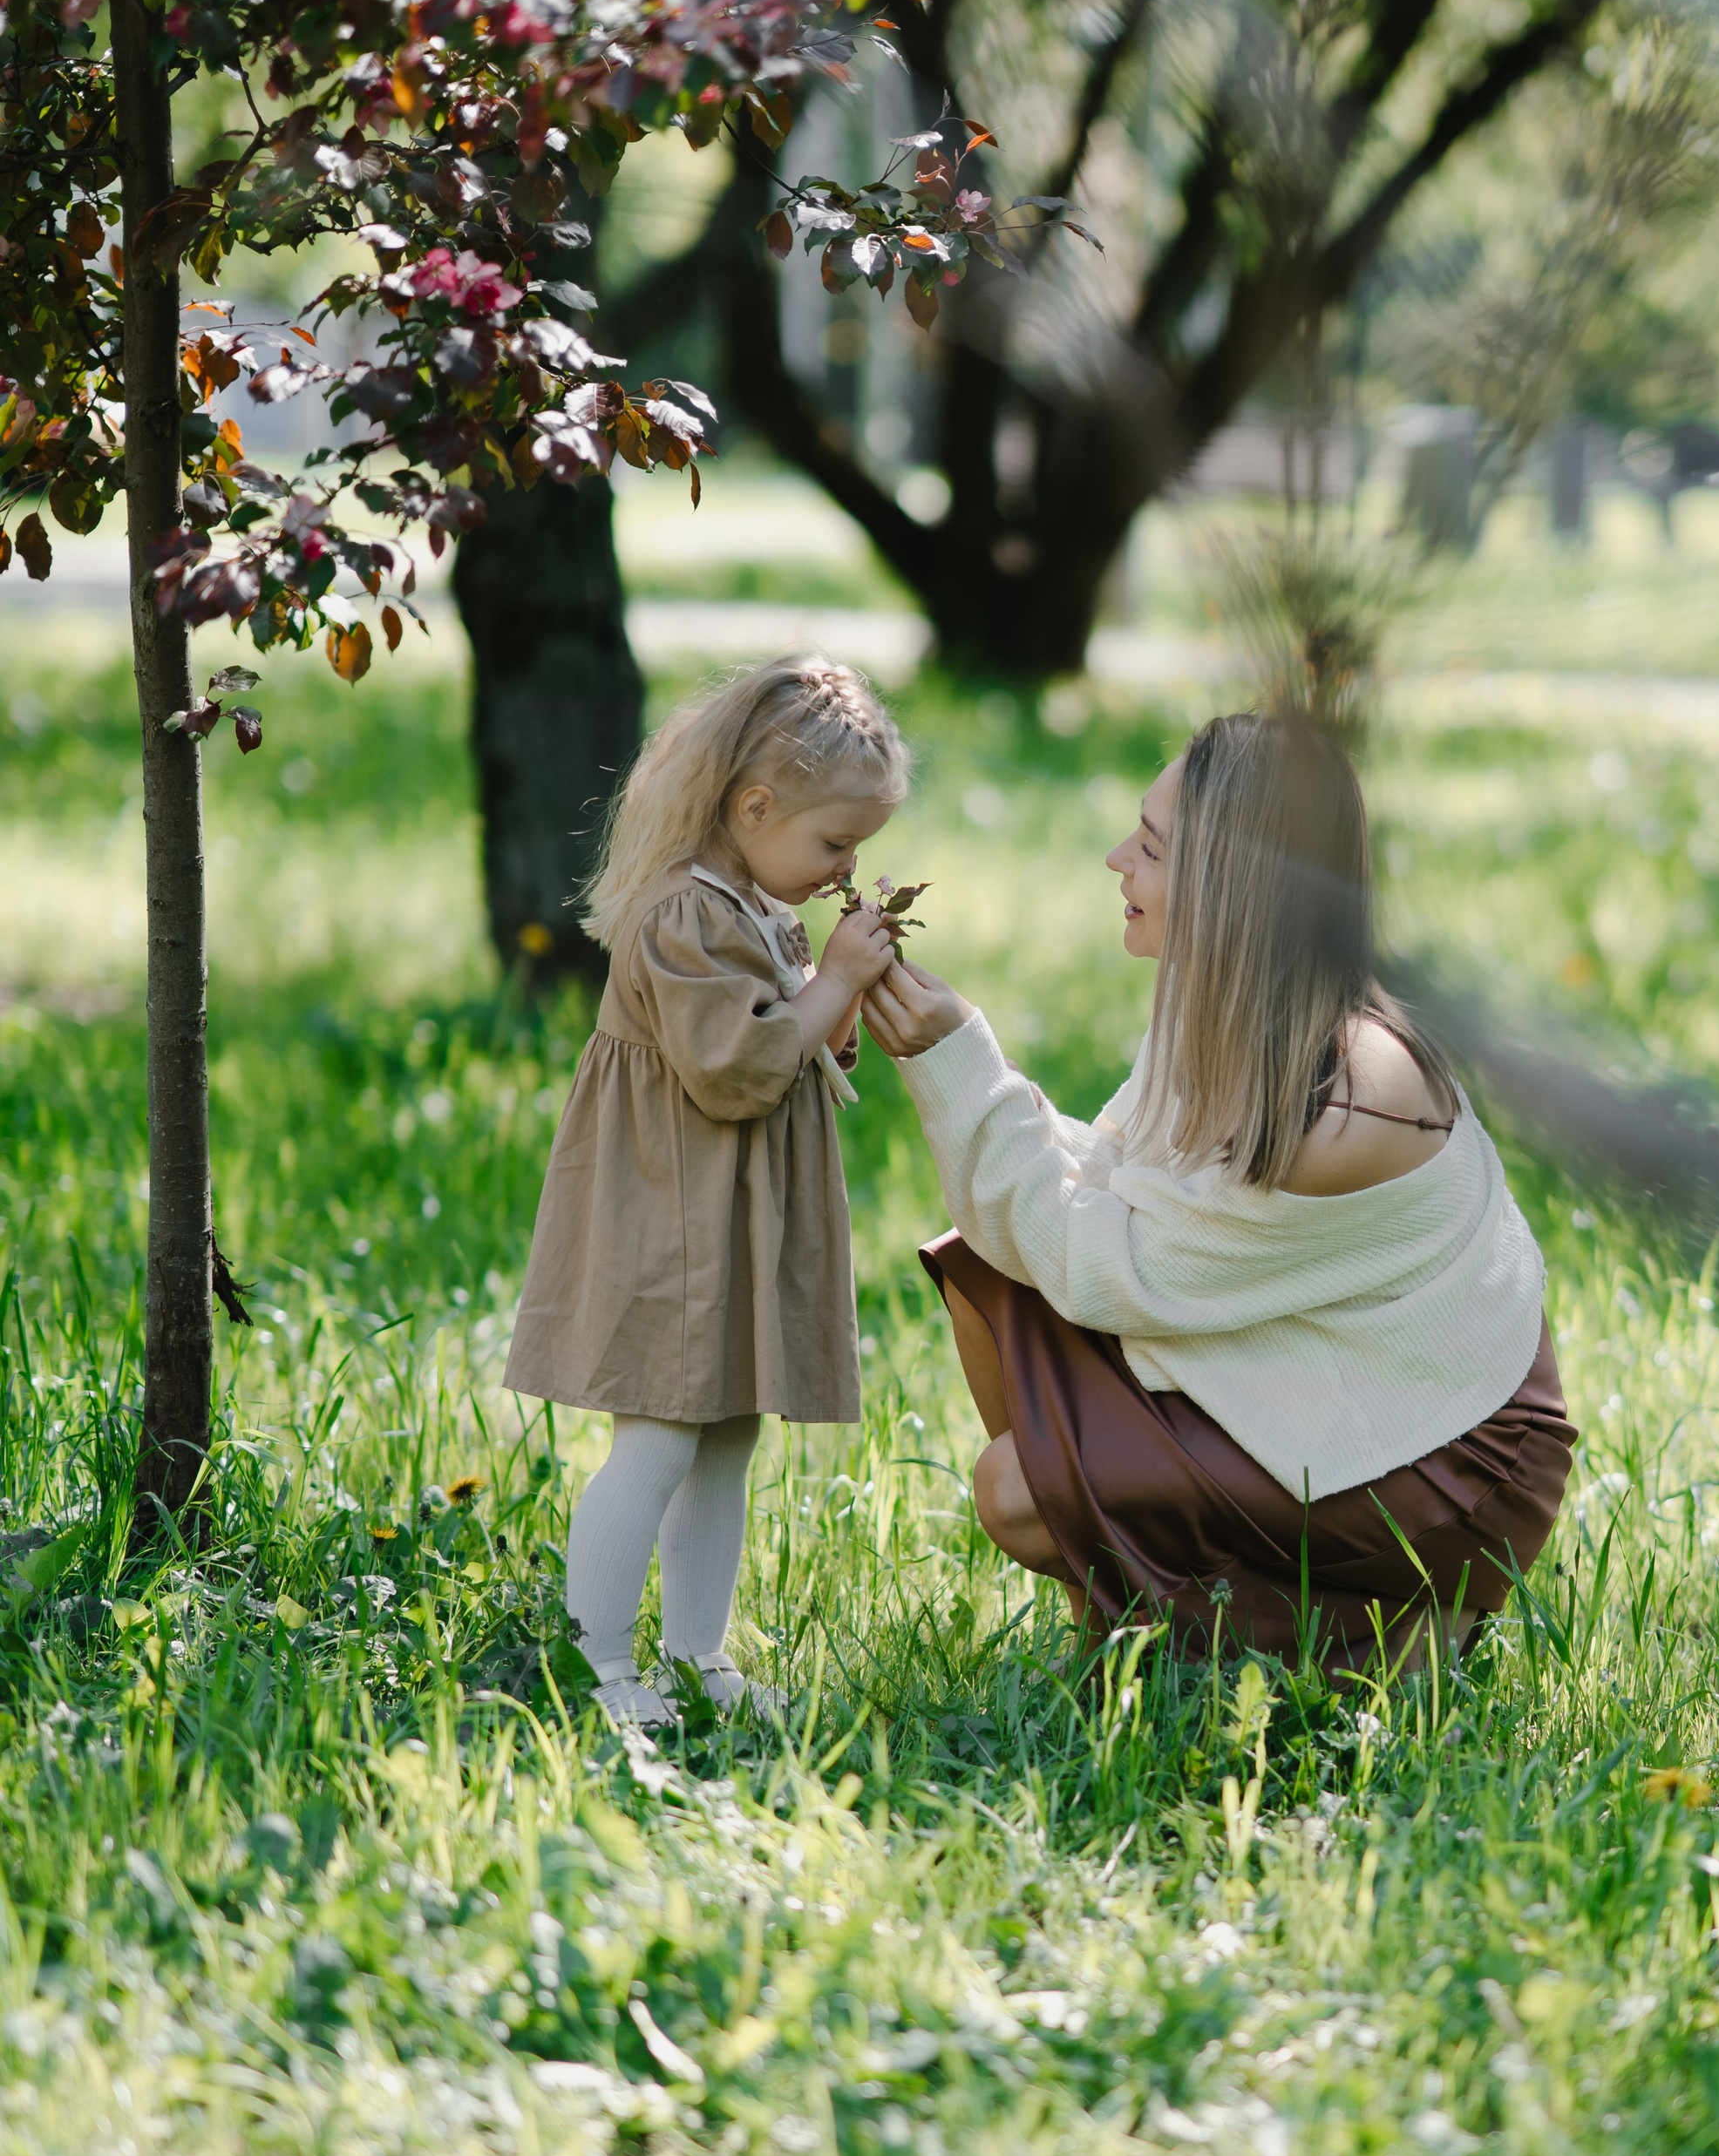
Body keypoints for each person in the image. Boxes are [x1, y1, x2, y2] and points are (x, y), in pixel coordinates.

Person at [860, 709, 1574, 1668]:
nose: (1118, 859)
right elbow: (1112, 1192)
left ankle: (1387, 1629)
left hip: (1447, 1454)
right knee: (988, 1277)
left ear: (1229, 887)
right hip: (1333, 1381)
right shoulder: (1240, 1014)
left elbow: (1107, 1269)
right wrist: (973, 1071)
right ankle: (1138, 1626)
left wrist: (961, 1068)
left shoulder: (1350, 1098)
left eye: (1150, 848)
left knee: (1020, 1485)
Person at [505, 655, 905, 1724]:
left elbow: (794, 1045)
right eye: (832, 843)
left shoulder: (752, 903)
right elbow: (735, 1065)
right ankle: (594, 1664)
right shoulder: (685, 912)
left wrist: (840, 998)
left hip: (726, 1214)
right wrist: (833, 984)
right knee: (662, 1437)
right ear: (754, 804)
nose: (842, 868)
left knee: (727, 1435)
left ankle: (696, 1658)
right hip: (670, 1212)